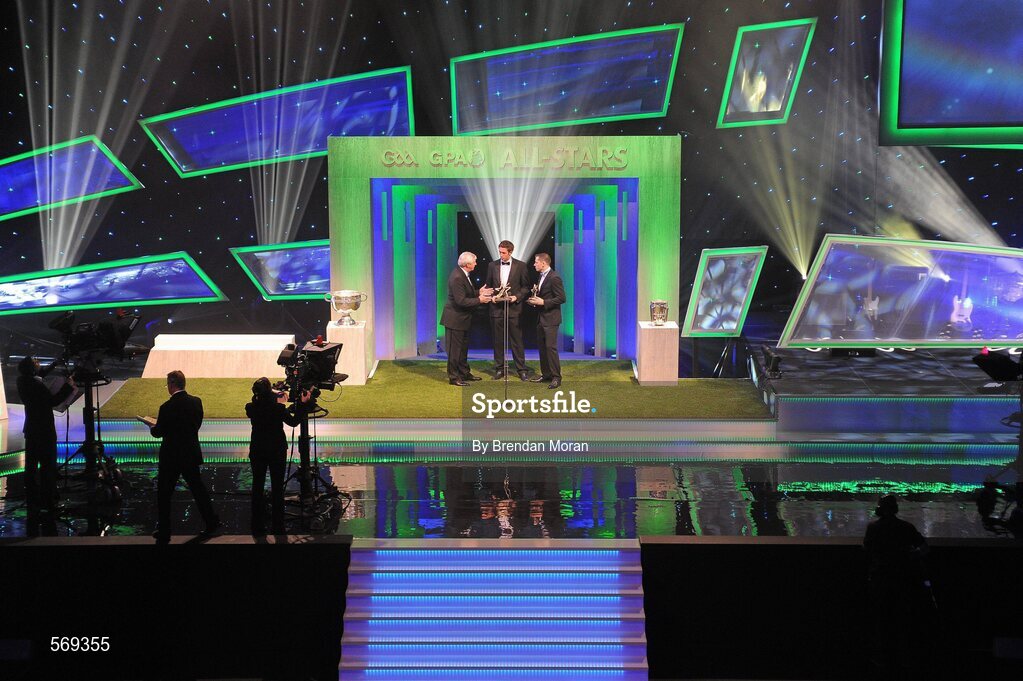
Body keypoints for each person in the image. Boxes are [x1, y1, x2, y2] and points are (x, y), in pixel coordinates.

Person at [863, 495, 935, 677]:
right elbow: (924, 548)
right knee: (903, 619)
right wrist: (912, 556)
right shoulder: (906, 527)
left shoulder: (873, 528)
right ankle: (904, 658)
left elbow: (867, 551)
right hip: (902, 580)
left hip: (880, 581)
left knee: (881, 620)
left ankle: (883, 659)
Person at [148, 370, 219, 542]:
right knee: (198, 490)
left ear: (172, 384)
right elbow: (196, 425)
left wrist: (152, 427)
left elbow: (159, 432)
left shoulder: (166, 407)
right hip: (189, 453)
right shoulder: (196, 402)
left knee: (164, 494)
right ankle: (212, 523)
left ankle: (164, 530)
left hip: (171, 456)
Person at [16, 355, 75, 537]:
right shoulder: (37, 385)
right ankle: (49, 503)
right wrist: (69, 386)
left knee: (31, 467)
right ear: (32, 369)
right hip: (44, 431)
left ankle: (33, 501)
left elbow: (39, 373)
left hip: (32, 430)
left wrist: (54, 365)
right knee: (47, 467)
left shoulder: (23, 380)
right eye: (36, 362)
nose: (38, 364)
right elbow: (53, 401)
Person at [245, 378, 309, 535]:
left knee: (257, 486)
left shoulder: (251, 407)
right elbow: (294, 422)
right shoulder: (278, 409)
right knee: (277, 488)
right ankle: (278, 525)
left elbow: (260, 402)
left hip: (258, 450)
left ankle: (257, 525)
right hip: (276, 451)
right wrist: (302, 404)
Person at [440, 251, 493, 386]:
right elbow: (461, 301)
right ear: (468, 264)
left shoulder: (463, 274)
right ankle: (454, 377)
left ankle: (464, 373)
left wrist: (478, 292)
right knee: (454, 350)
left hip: (463, 319)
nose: (476, 264)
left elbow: (466, 293)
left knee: (463, 349)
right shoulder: (457, 277)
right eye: (474, 262)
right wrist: (480, 300)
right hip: (455, 320)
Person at [484, 240, 532, 380]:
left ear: (510, 252)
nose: (501, 255)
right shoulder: (492, 265)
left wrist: (516, 297)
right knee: (498, 340)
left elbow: (526, 287)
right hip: (496, 309)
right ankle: (499, 369)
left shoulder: (521, 266)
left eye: (503, 252)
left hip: (514, 309)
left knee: (517, 340)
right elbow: (489, 285)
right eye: (499, 252)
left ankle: (521, 369)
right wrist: (492, 297)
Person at [527, 253, 566, 389]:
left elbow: (561, 298)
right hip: (541, 318)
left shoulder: (554, 277)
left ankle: (556, 377)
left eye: (536, 262)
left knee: (550, 348)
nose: (534, 264)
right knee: (542, 348)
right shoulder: (541, 276)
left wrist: (543, 302)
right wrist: (535, 301)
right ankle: (546, 374)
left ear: (543, 263)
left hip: (551, 319)